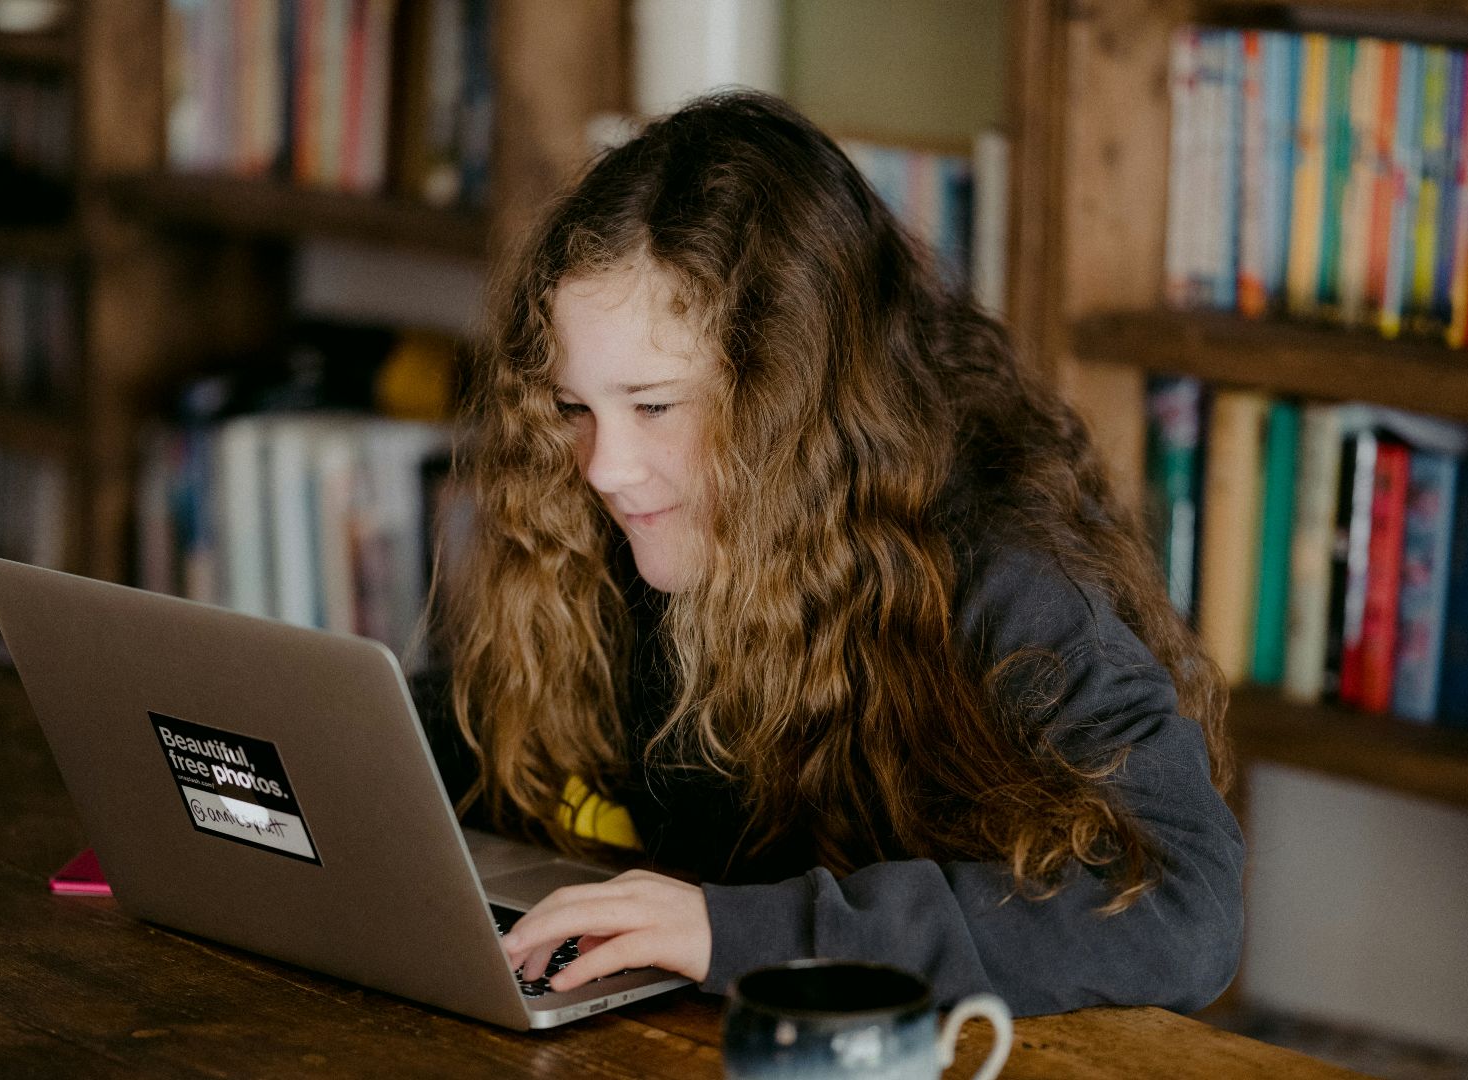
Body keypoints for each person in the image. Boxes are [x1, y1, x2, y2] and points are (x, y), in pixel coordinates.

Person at [410, 89, 1243, 1017]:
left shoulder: (1006, 575)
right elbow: (466, 736)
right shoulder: (627, 528)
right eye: (576, 408)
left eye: (655, 407)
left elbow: (1183, 909)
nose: (606, 469)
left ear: (792, 400)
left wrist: (741, 932)